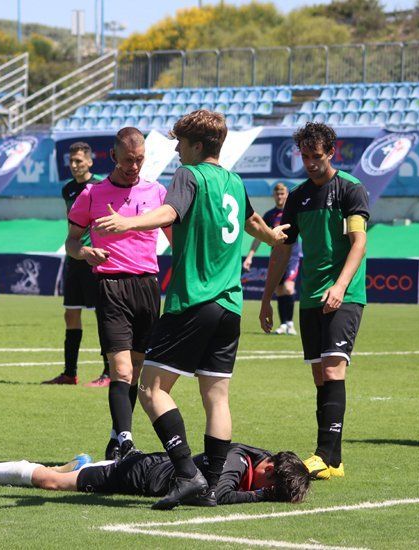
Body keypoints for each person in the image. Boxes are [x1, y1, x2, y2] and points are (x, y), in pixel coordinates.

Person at [94, 110, 287, 510]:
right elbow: (253, 220)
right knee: (216, 397)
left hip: (193, 300)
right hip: (231, 306)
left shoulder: (190, 175)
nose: (178, 152)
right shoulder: (235, 180)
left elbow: (170, 213)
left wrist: (128, 224)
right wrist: (273, 238)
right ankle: (213, 486)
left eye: (181, 144)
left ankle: (186, 473)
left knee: (150, 388)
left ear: (198, 146)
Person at [259, 122, 369, 481]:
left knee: (335, 369)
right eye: (304, 156)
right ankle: (333, 462)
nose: (309, 163)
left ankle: (325, 454)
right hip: (310, 298)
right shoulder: (297, 197)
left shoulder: (351, 190)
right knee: (321, 376)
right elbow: (282, 251)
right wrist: (265, 298)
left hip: (344, 295)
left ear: (331, 153)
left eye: (316, 156)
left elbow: (359, 243)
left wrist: (339, 286)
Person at [66, 127, 169, 462]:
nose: (134, 166)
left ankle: (115, 436)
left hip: (148, 287)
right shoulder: (92, 195)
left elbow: (176, 237)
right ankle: (126, 440)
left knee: (136, 371)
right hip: (111, 287)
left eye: (139, 160)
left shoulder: (157, 192)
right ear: (113, 157)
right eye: (128, 160)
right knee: (121, 370)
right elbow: (72, 241)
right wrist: (84, 253)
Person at [0, 443, 311, 507]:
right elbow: (220, 497)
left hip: (146, 470)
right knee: (52, 484)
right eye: (271, 486)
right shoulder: (237, 464)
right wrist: (261, 497)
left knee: (72, 476)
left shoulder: (258, 459)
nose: (267, 490)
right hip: (134, 474)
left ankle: (82, 463)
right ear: (268, 468)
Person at [42, 141, 112, 387]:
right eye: (71, 162)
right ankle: (69, 373)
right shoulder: (68, 189)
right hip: (74, 258)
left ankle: (109, 372)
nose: (74, 165)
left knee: (103, 316)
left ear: (90, 162)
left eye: (79, 161)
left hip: (94, 259)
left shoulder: (100, 186)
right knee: (71, 314)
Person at [243, 182, 302, 335]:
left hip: (293, 256)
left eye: (282, 194)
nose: (280, 196)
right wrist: (250, 256)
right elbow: (258, 235)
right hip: (277, 256)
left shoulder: (293, 212)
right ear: (274, 196)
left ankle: (290, 323)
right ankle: (284, 324)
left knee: (289, 288)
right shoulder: (270, 215)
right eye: (277, 194)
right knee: (280, 290)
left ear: (287, 195)